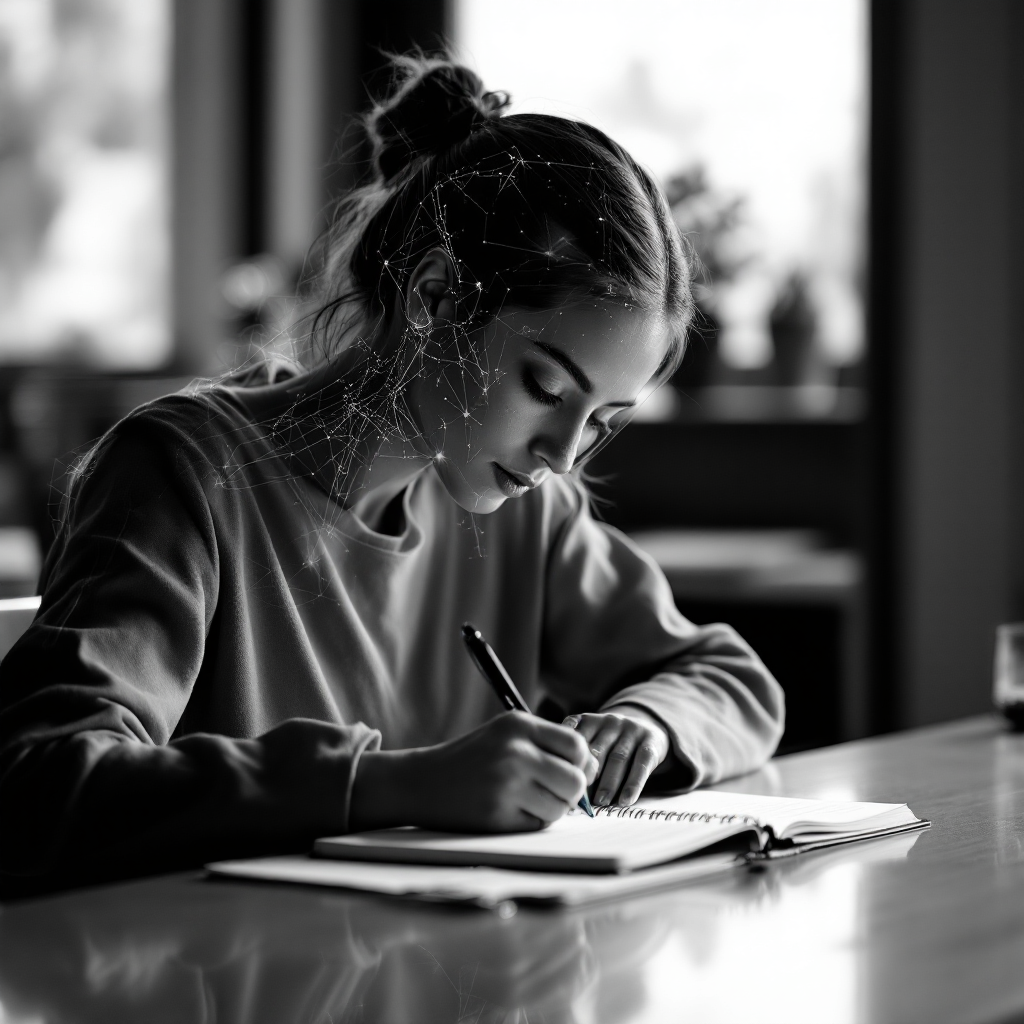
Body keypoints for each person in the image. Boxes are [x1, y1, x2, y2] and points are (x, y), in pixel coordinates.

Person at [0, 56, 784, 887]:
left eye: (600, 422)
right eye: (544, 388)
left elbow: (733, 682)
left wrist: (650, 724)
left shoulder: (525, 512)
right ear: (436, 298)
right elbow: (38, 785)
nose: (560, 457)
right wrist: (395, 784)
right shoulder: (186, 473)